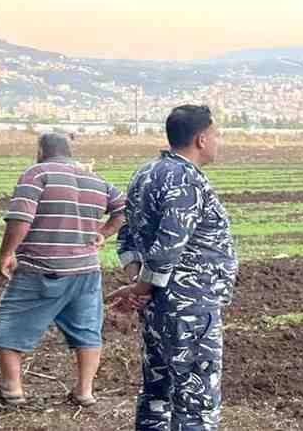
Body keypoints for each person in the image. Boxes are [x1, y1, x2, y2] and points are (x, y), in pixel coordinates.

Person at [108, 105, 237, 431]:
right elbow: (169, 245)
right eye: (216, 134)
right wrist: (140, 288)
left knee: (157, 395)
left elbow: (127, 234)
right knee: (195, 403)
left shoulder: (144, 174)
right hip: (189, 308)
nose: (218, 141)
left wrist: (138, 283)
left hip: (157, 307)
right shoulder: (187, 180)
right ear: (201, 139)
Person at [0, 133, 126, 407]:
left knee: (8, 323)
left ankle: (11, 390)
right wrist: (104, 232)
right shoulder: (95, 180)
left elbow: (21, 218)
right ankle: (84, 392)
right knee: (87, 330)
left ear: (41, 151)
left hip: (42, 267)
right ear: (69, 152)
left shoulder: (37, 173)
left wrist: (6, 253)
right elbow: (125, 208)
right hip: (86, 271)